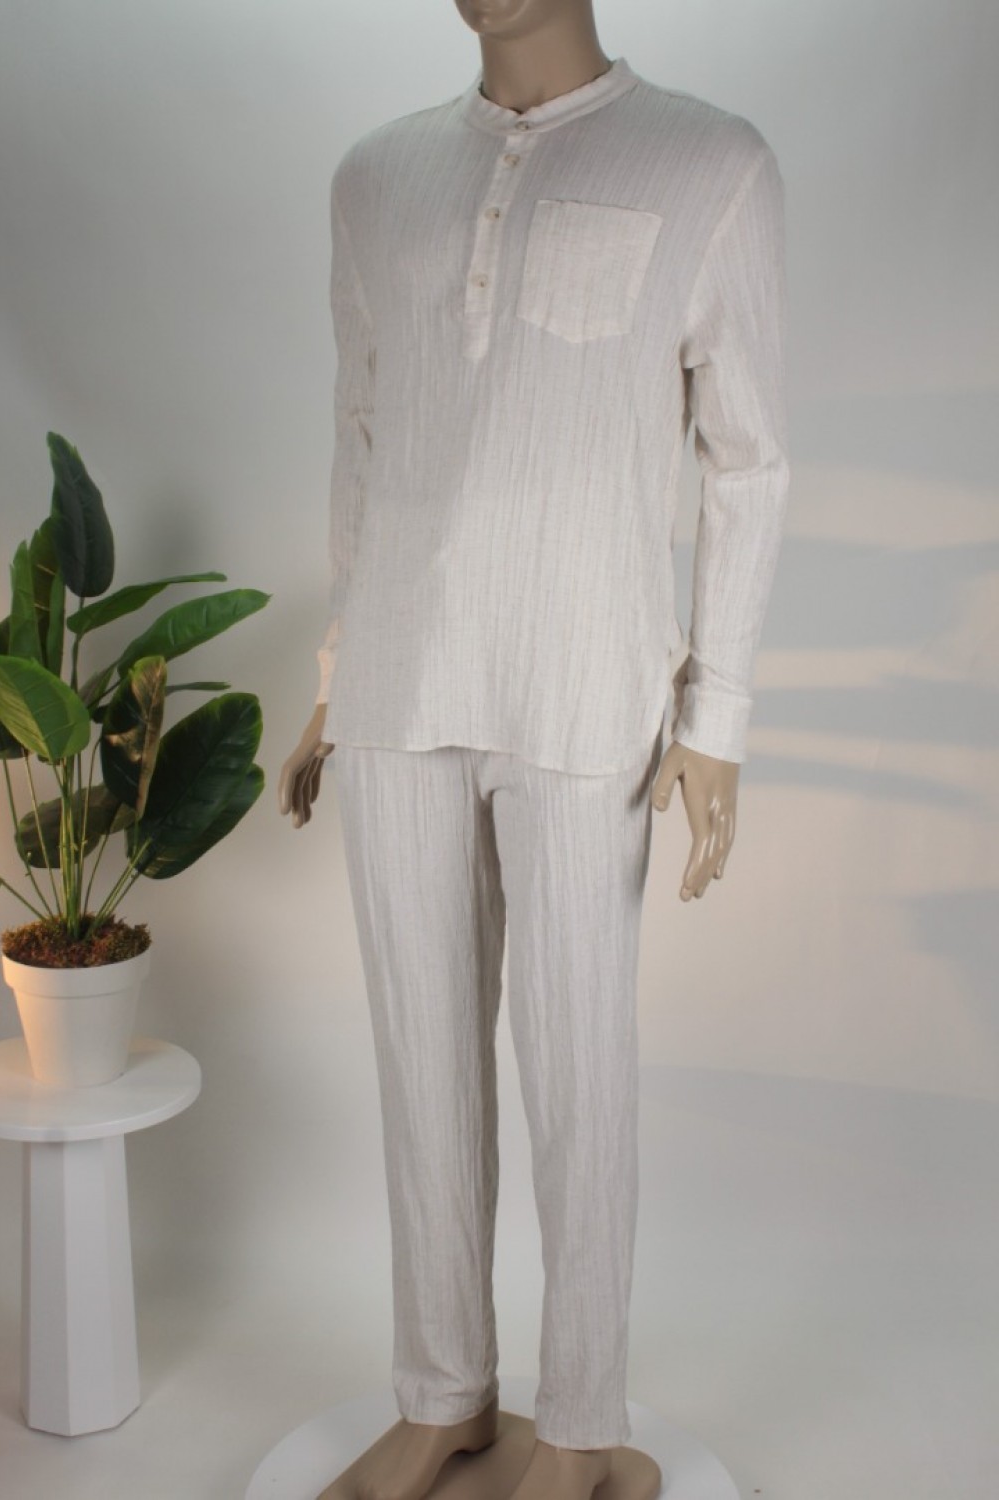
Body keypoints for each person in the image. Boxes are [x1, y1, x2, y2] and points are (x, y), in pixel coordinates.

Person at [278, 3, 789, 1496]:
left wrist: (717, 719)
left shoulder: (710, 162)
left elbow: (748, 456)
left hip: (585, 688)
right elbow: (363, 429)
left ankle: (580, 1425)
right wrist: (335, 676)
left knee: (578, 1073)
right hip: (398, 684)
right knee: (420, 1058)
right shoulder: (376, 176)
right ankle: (444, 1392)